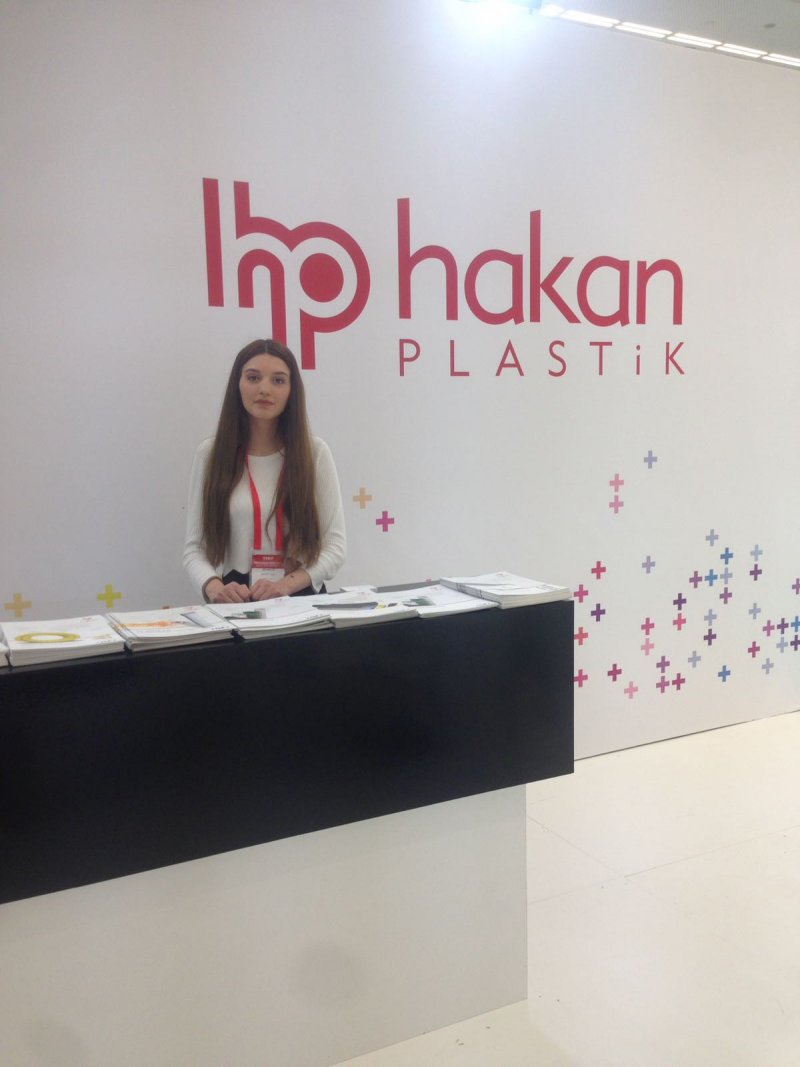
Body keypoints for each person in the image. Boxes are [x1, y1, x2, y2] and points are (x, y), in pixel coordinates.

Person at [183, 339, 346, 603]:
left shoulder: (314, 453)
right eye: (253, 377)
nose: (264, 389)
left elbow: (336, 548)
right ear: (237, 384)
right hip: (236, 597)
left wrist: (285, 586)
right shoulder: (211, 455)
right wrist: (214, 588)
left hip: (299, 595)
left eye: (278, 380)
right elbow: (194, 549)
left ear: (292, 390)